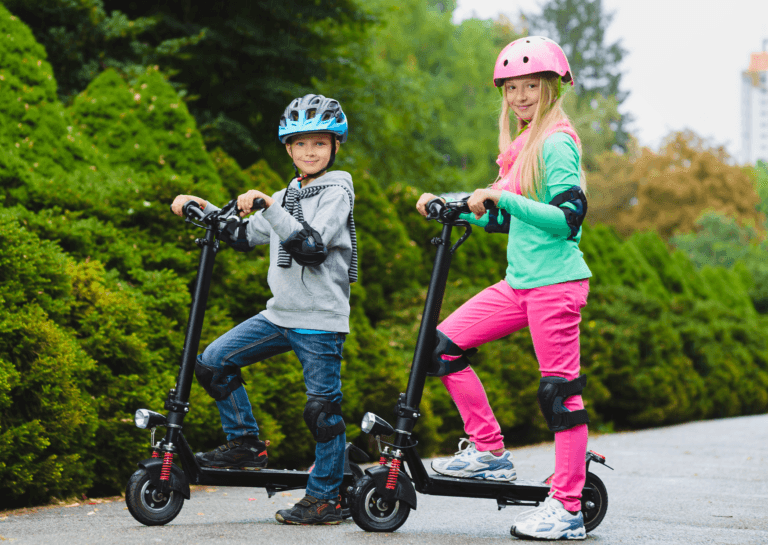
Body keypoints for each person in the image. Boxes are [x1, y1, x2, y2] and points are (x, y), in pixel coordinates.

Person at [415, 36, 591, 541]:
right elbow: (499, 214)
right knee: (442, 348)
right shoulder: (522, 148)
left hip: (556, 284)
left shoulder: (556, 141)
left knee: (560, 394)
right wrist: (446, 201)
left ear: (552, 87)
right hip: (520, 284)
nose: (519, 96)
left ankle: (567, 508)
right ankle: (489, 451)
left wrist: (502, 202)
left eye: (530, 85)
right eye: (511, 88)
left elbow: (567, 220)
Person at [170, 94, 358, 526]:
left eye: (320, 144)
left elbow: (309, 248)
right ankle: (245, 444)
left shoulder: (337, 190)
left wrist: (269, 207)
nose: (310, 152)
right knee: (214, 364)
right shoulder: (285, 193)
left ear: (334, 147)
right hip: (279, 315)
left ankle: (326, 497)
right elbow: (241, 234)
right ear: (288, 149)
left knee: (322, 411)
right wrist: (202, 209)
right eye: (301, 144)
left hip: (319, 321)